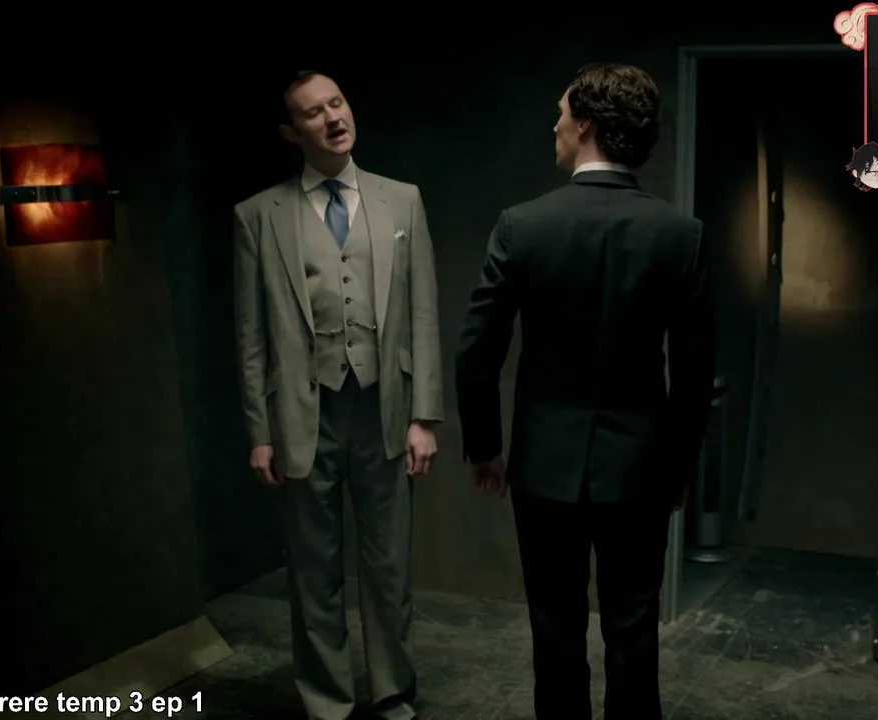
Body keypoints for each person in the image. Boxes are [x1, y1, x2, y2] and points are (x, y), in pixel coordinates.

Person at [454, 63, 715, 719]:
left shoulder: (522, 225)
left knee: (555, 632)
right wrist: (679, 470)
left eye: (562, 114)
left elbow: (477, 354)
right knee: (634, 631)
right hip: (640, 470)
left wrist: (484, 449)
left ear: (587, 126)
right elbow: (693, 374)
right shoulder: (680, 235)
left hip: (543, 467)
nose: (555, 126)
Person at [232, 70, 443, 720]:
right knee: (313, 571)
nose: (332, 118)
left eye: (337, 102)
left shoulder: (401, 200)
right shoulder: (257, 216)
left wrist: (424, 416)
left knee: (389, 568)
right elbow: (250, 335)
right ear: (290, 133)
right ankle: (327, 701)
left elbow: (423, 314)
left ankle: (392, 690)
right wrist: (259, 432)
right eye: (313, 113)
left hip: (383, 410)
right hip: (303, 415)